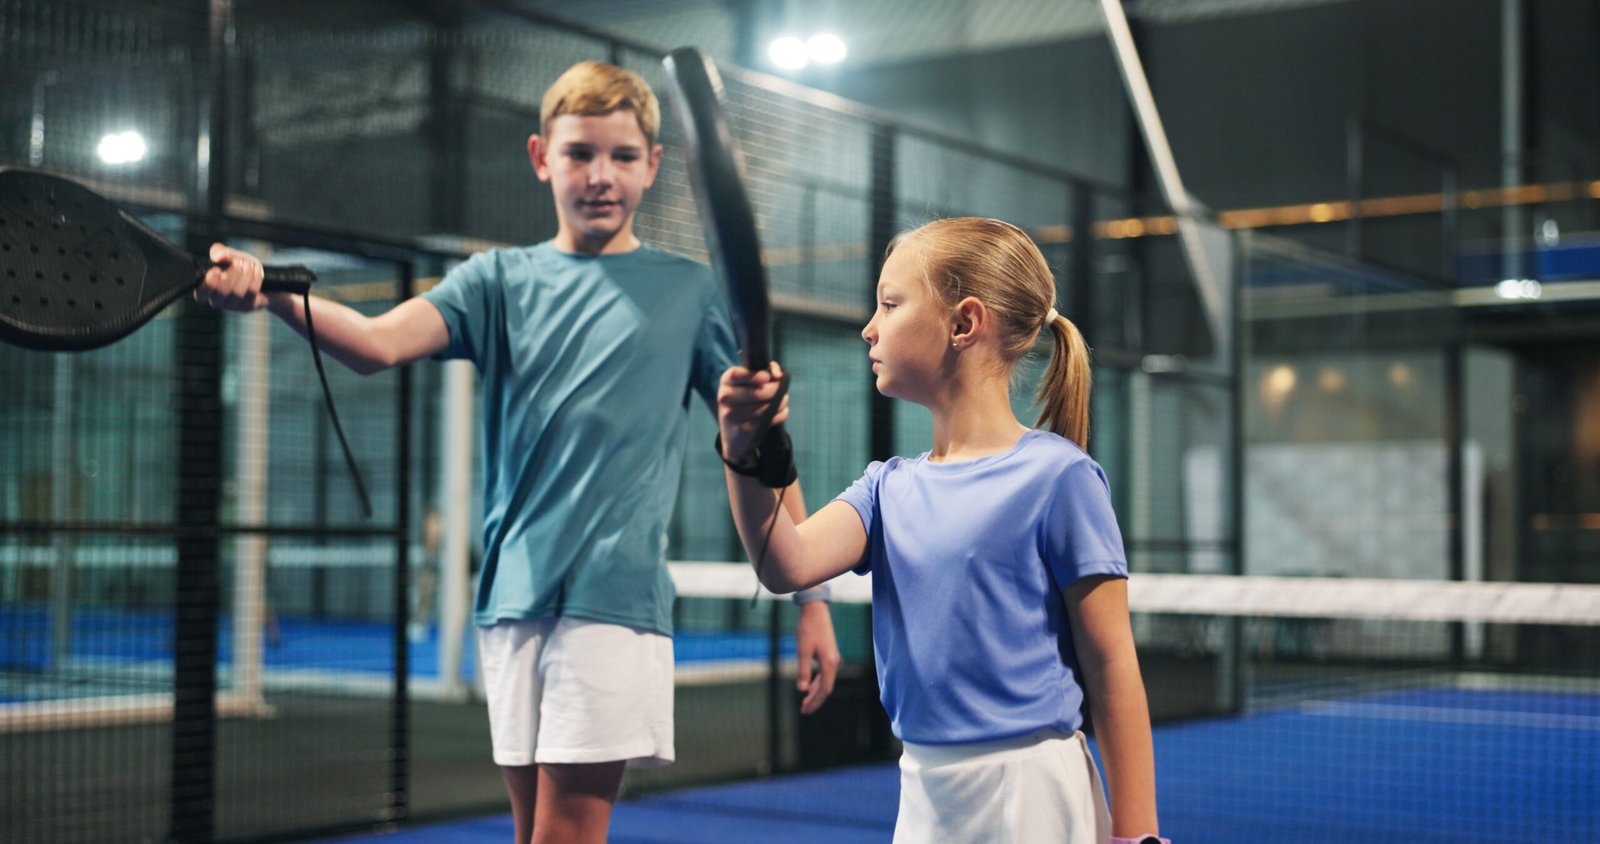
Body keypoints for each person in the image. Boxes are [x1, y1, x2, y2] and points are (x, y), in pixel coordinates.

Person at [195, 60, 840, 844]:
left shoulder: (691, 292)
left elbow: (764, 444)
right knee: (532, 829)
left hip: (614, 599)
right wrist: (270, 291)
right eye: (579, 154)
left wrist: (814, 601)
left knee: (567, 833)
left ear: (655, 167)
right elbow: (373, 344)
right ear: (541, 157)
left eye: (623, 157)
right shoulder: (493, 281)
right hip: (509, 600)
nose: (601, 176)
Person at [718, 217, 1165, 843]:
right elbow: (785, 564)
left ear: (963, 324)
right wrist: (741, 452)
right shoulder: (884, 487)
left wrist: (1137, 834)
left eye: (890, 304)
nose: (869, 328)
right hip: (923, 787)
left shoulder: (1060, 477)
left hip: (1033, 794)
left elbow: (1112, 662)